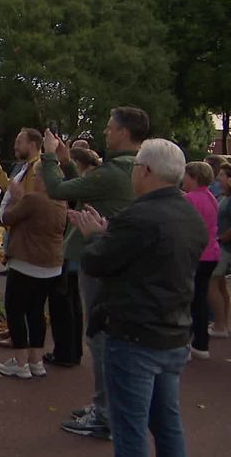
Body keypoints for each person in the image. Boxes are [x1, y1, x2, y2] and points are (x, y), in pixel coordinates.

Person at [70, 139, 206, 456]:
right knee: (167, 423)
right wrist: (109, 236)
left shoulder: (138, 216)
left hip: (135, 336)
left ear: (145, 170)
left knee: (130, 429)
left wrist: (95, 237)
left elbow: (96, 263)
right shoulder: (189, 214)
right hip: (173, 332)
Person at [42, 107, 147, 441]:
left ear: (124, 132)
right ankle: (106, 405)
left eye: (110, 127)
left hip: (101, 257)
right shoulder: (131, 169)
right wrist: (67, 162)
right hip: (117, 259)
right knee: (104, 336)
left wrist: (49, 157)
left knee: (100, 337)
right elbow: (85, 187)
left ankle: (105, 413)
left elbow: (59, 191)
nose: (105, 132)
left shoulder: (115, 171)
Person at [0, 165, 67, 379]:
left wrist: (16, 199)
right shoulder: (60, 202)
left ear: (44, 179)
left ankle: (20, 362)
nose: (34, 180)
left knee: (15, 310)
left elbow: (6, 218)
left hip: (26, 261)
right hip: (51, 264)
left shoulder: (33, 199)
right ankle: (36, 360)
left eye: (37, 176)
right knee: (36, 311)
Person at [43, 146, 102, 369]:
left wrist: (58, 161)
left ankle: (66, 352)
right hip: (77, 248)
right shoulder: (93, 184)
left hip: (74, 248)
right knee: (72, 300)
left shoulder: (90, 184)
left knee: (63, 300)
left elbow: (60, 189)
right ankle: (71, 350)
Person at [181, 161, 219, 360]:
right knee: (200, 299)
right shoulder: (211, 197)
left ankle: (185, 344)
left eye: (186, 175)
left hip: (196, 254)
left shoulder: (189, 199)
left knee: (187, 299)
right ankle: (201, 343)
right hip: (211, 254)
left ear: (193, 177)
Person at [209, 163, 231, 338]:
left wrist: (221, 238)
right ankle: (222, 321)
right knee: (221, 286)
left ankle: (220, 325)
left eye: (222, 175)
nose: (218, 178)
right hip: (221, 246)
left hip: (223, 248)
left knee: (212, 285)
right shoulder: (224, 197)